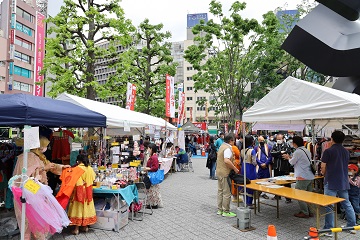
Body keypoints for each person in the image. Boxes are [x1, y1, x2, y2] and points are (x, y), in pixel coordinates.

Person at [12, 136, 70, 240]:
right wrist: (44, 168)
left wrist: (62, 167)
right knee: (27, 224)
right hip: (26, 196)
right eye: (45, 146)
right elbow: (26, 178)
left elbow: (50, 165)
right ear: (39, 146)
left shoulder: (37, 156)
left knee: (36, 223)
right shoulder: (27, 157)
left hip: (35, 195)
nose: (46, 148)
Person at [321, 131, 356, 235]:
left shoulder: (328, 151)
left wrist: (324, 174)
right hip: (343, 181)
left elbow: (323, 167)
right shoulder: (346, 152)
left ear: (332, 139)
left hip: (331, 181)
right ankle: (351, 226)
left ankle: (329, 229)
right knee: (347, 203)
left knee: (329, 205)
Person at [282, 136, 315, 218]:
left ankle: (305, 212)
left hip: (302, 176)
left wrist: (287, 158)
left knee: (299, 194)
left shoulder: (297, 152)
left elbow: (292, 162)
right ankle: (310, 211)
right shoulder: (306, 150)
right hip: (310, 175)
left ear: (295, 143)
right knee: (308, 195)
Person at [67, 154, 97, 235]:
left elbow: (74, 181)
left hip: (78, 192)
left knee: (78, 209)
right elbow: (93, 179)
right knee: (87, 208)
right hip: (88, 192)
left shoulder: (76, 169)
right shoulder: (90, 169)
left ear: (78, 161)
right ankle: (85, 227)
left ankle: (76, 229)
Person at [216, 133, 239, 217]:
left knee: (220, 191)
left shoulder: (222, 146)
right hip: (225, 173)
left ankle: (220, 209)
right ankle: (226, 210)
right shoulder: (227, 148)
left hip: (219, 172)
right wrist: (234, 168)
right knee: (226, 192)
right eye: (234, 140)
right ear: (231, 140)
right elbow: (226, 160)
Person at [270, 134, 293, 203]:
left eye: (280, 139)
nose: (278, 140)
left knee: (286, 183)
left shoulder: (287, 145)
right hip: (276, 167)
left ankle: (288, 198)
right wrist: (280, 152)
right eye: (277, 139)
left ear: (283, 139)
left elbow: (286, 154)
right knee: (276, 182)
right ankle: (277, 195)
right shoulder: (275, 145)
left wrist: (278, 155)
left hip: (284, 167)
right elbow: (272, 153)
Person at [240, 135, 257, 208]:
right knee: (251, 185)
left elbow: (241, 160)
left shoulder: (242, 150)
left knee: (244, 184)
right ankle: (249, 203)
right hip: (250, 169)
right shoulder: (252, 150)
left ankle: (245, 201)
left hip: (243, 168)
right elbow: (254, 162)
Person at [145, 143, 163, 209]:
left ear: (151, 149)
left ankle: (153, 204)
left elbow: (155, 167)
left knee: (153, 191)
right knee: (153, 191)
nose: (148, 150)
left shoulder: (154, 157)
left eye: (148, 148)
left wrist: (148, 168)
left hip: (152, 176)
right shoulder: (153, 156)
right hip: (152, 175)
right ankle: (153, 204)